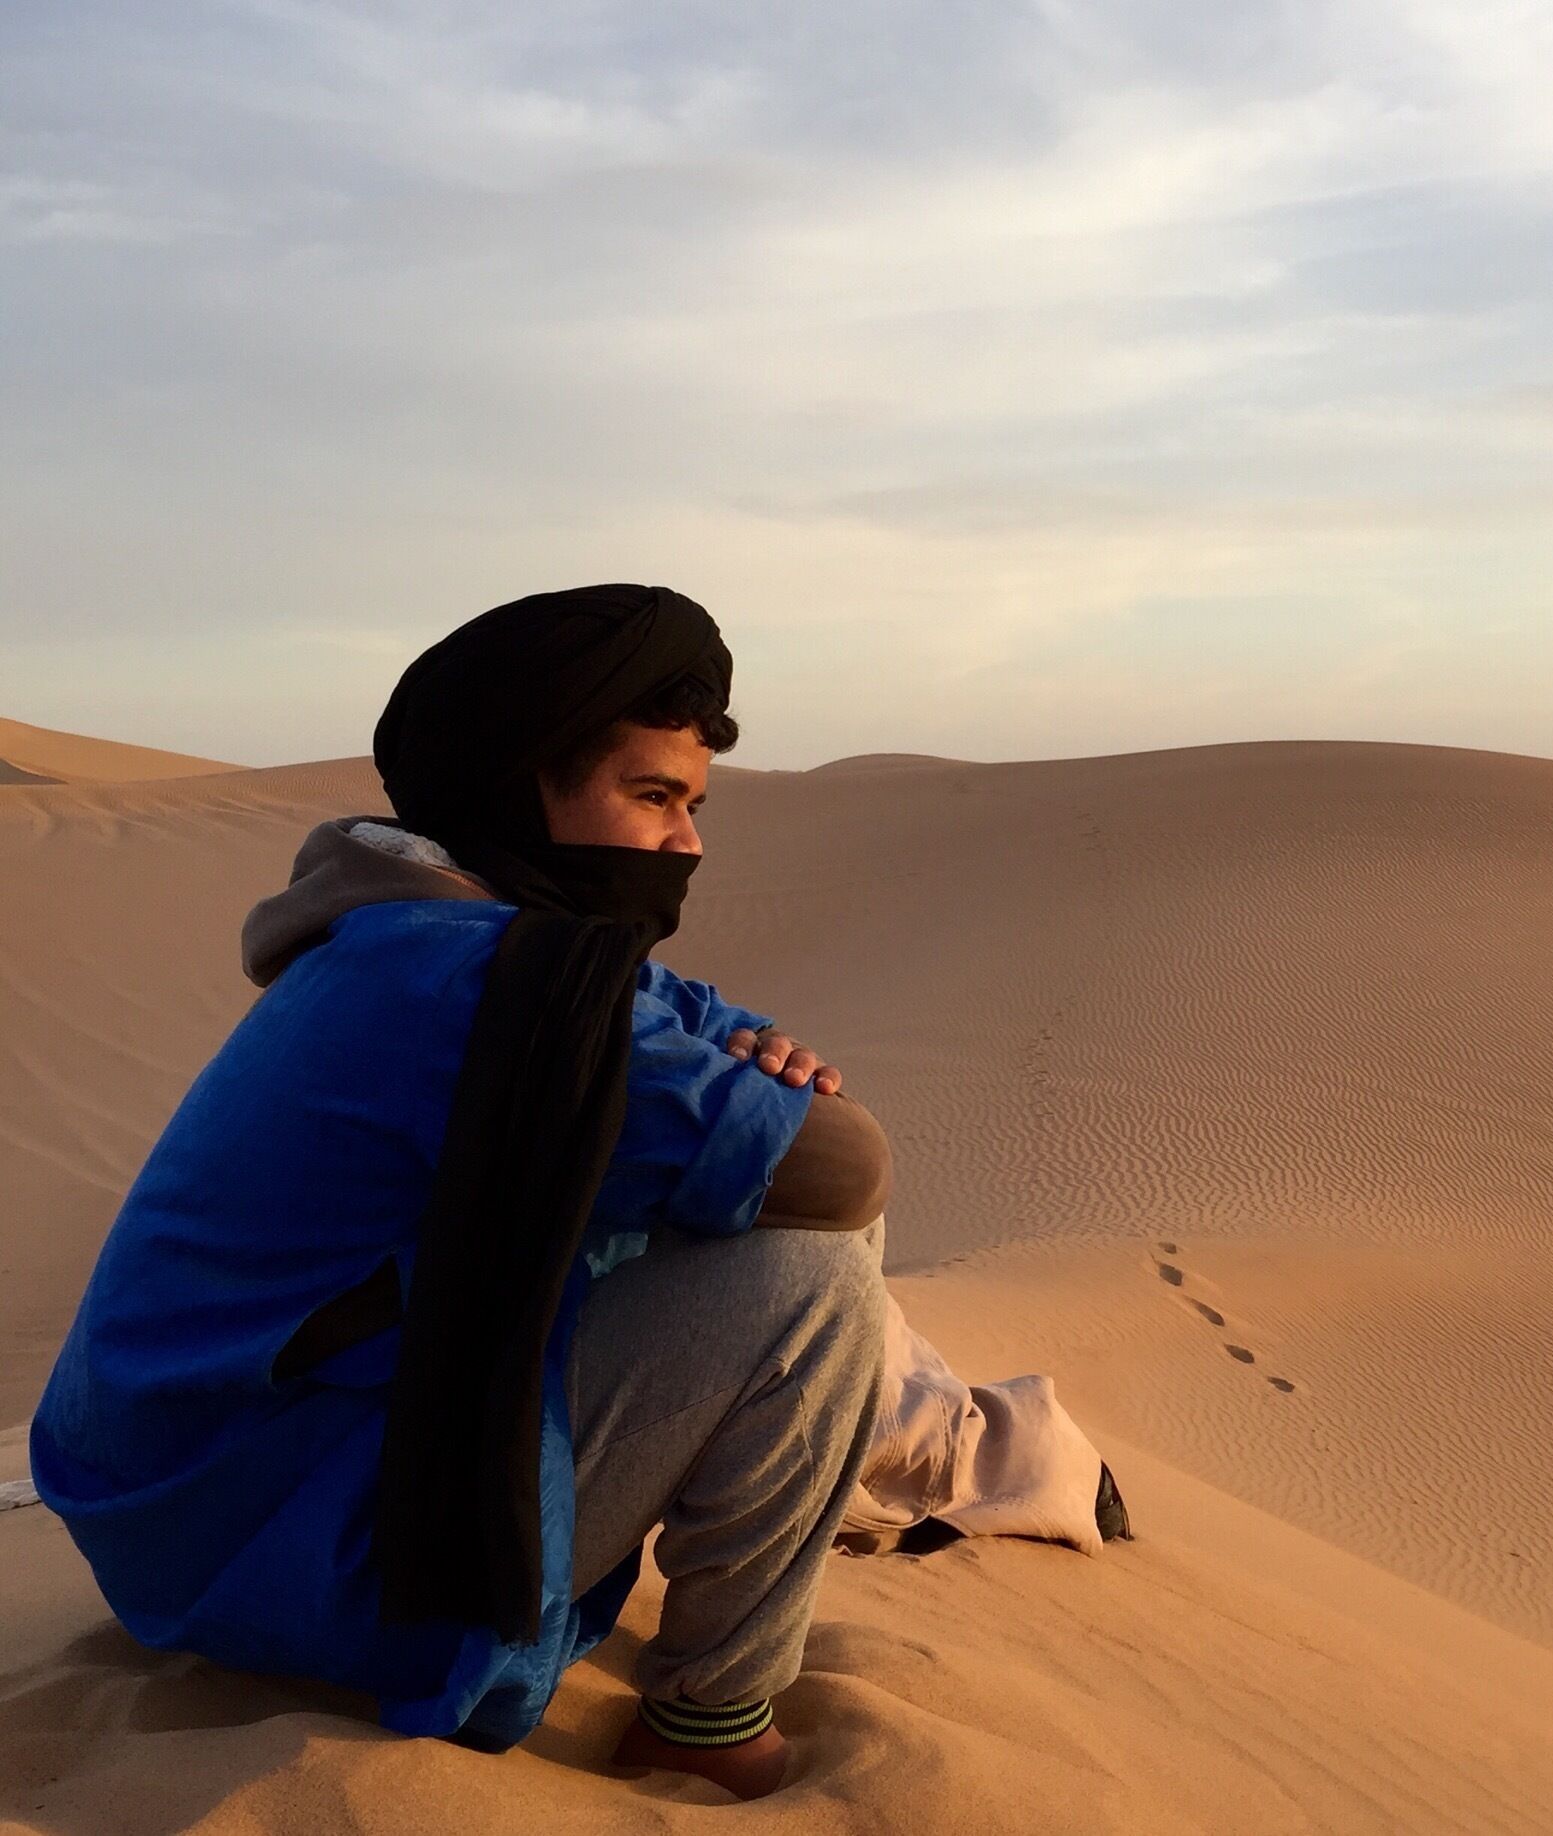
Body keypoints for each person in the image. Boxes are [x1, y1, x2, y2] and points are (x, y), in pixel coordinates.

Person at [30, 585, 1123, 1803]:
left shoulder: (431, 937)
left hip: (190, 1515)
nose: (687, 844)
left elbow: (701, 1020)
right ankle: (709, 1718)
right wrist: (772, 1105)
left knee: (762, 1217)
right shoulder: (468, 981)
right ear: (519, 793)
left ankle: (907, 1458)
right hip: (278, 1542)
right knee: (811, 1268)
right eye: (652, 798)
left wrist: (757, 1070)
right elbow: (844, 1164)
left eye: (693, 806)